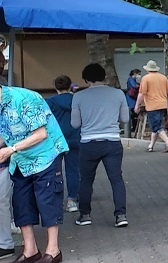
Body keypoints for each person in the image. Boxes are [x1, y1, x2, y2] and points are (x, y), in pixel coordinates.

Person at [0, 83, 70, 263]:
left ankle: (53, 251)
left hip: (46, 154)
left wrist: (11, 149)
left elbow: (41, 134)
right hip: (21, 158)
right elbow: (5, 135)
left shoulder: (24, 99)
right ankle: (30, 251)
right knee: (21, 201)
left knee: (47, 199)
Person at [71, 63, 130, 228]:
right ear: (104, 76)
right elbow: (125, 119)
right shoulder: (118, 94)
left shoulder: (78, 97)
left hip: (89, 143)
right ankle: (121, 215)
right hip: (112, 142)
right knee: (116, 179)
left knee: (86, 180)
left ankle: (85, 215)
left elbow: (75, 124)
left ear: (86, 78)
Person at [46, 75, 81, 213]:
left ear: (56, 87)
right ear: (70, 86)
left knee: (55, 171)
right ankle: (72, 200)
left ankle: (55, 200)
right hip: (75, 138)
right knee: (73, 170)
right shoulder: (77, 100)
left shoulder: (49, 102)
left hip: (56, 140)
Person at [135, 60, 168, 152]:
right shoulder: (163, 78)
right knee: (156, 126)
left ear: (147, 69)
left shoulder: (145, 78)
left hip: (152, 106)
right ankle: (151, 145)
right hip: (162, 104)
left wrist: (137, 105)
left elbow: (141, 94)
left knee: (156, 127)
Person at [125, 68, 141, 136]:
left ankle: (134, 127)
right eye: (139, 74)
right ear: (135, 73)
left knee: (134, 113)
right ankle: (134, 127)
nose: (139, 76)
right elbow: (134, 86)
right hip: (131, 98)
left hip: (132, 97)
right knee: (134, 112)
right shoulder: (131, 79)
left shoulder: (132, 79)